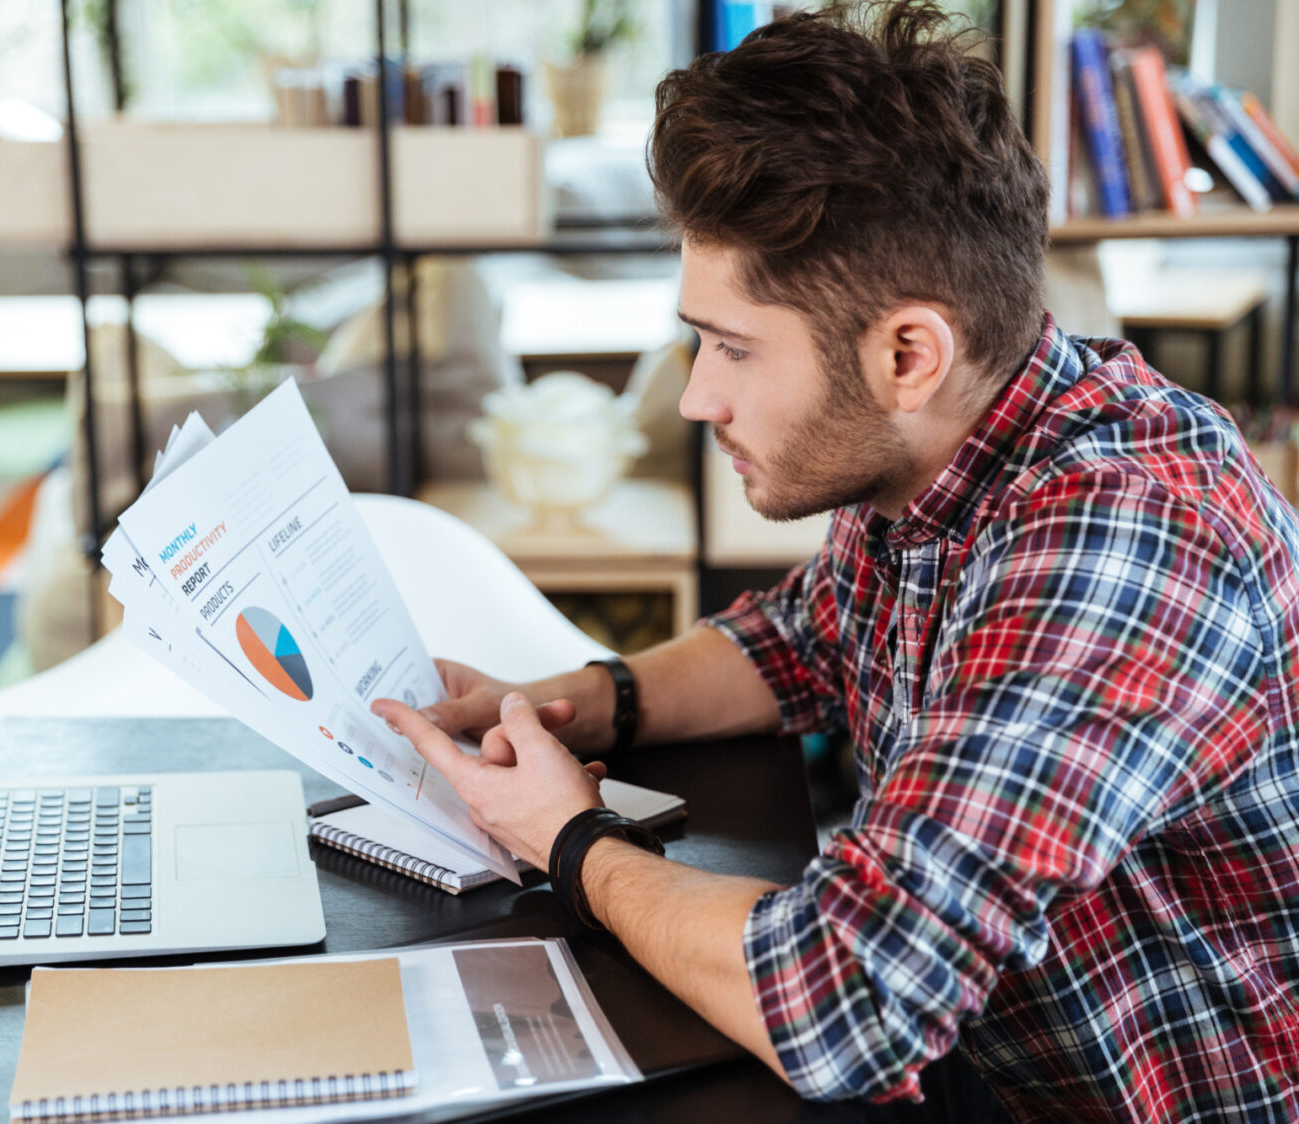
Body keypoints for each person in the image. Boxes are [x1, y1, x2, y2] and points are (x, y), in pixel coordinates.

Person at [370, 3, 1299, 1121]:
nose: (697, 395)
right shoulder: (949, 440)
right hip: (995, 1045)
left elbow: (846, 995)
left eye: (732, 348)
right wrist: (574, 702)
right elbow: (808, 633)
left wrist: (571, 839)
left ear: (908, 352)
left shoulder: (1126, 542)